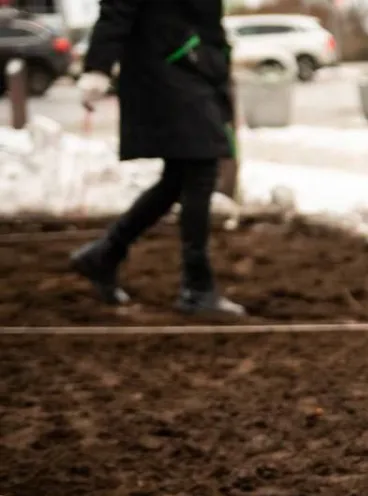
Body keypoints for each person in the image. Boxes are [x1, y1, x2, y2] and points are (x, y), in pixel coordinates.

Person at [69, 0, 245, 316]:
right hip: (166, 67)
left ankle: (104, 255)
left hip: (195, 67)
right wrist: (98, 66)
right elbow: (117, 8)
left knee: (178, 177)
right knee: (201, 165)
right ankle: (197, 288)